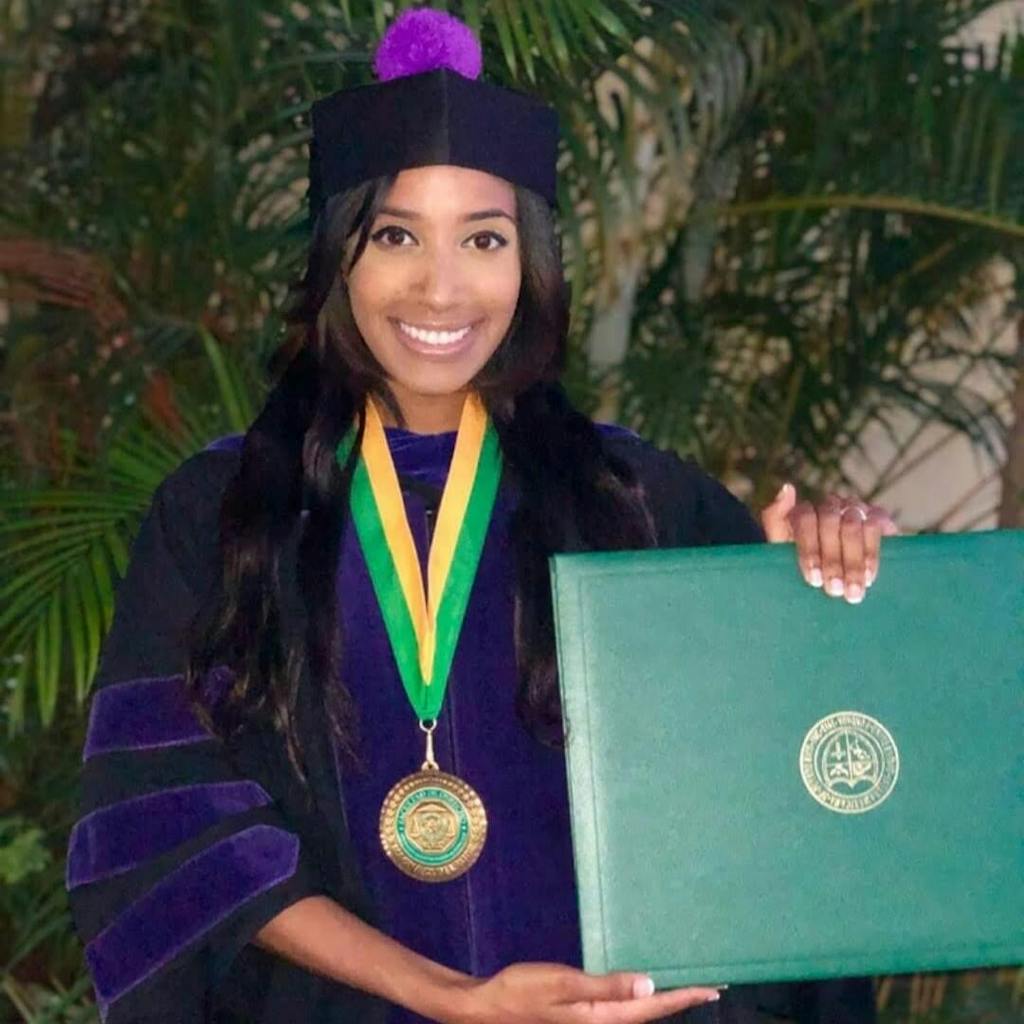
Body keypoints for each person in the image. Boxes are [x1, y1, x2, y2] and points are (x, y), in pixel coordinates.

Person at [66, 9, 896, 1023]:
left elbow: (788, 768)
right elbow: (168, 826)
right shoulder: (222, 512)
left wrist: (808, 586)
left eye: (484, 238)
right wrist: (448, 996)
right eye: (396, 235)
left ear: (529, 263)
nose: (441, 285)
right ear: (340, 256)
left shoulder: (634, 498)